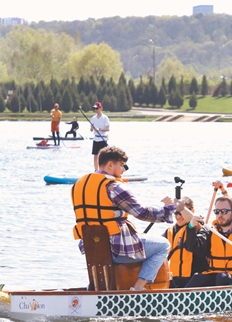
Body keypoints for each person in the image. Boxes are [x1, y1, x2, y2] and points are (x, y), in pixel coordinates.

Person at [72, 146, 176, 291]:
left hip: (91, 250)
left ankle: (95, 288)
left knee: (142, 239)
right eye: (121, 165)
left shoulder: (78, 185)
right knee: (163, 245)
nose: (123, 170)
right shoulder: (113, 186)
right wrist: (168, 210)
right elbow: (141, 213)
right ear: (110, 165)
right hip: (116, 250)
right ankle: (138, 288)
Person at [163, 196, 208, 288]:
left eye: (182, 212)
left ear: (192, 211)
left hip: (195, 277)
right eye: (176, 212)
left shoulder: (199, 228)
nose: (178, 216)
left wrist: (192, 223)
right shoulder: (169, 231)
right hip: (175, 278)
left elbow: (193, 245)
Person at [90, 102, 110, 170]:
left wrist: (100, 129)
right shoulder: (93, 118)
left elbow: (107, 128)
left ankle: (104, 170)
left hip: (103, 139)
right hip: (96, 139)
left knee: (103, 157)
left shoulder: (105, 118)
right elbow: (91, 129)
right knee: (95, 156)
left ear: (101, 108)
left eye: (97, 108)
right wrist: (92, 128)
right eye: (94, 108)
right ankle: (96, 170)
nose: (95, 110)